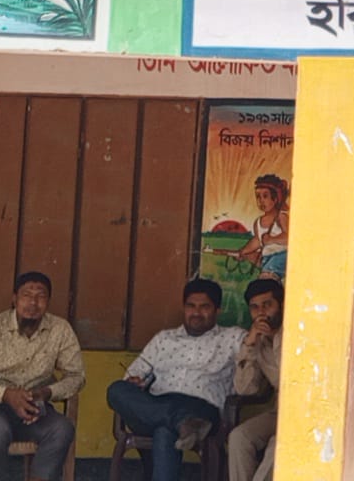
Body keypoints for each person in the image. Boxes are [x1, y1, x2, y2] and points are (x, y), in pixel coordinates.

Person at [0, 271, 85, 481]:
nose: (33, 303)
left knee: (62, 429)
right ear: (14, 299)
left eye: (40, 296)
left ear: (48, 301)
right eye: (26, 295)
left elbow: (76, 376)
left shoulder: (60, 330)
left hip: (34, 408)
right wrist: (5, 394)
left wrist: (46, 392)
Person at [107, 278, 246, 481]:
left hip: (200, 409)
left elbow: (254, 360)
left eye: (204, 307)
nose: (196, 313)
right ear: (184, 307)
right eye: (191, 306)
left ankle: (181, 421)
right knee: (116, 389)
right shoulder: (164, 339)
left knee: (164, 431)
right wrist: (135, 381)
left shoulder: (233, 338)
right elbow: (135, 372)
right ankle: (181, 423)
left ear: (217, 310)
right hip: (159, 403)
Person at [228, 279, 284, 481]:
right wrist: (250, 346)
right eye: (254, 307)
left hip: (308, 412)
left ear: (281, 305)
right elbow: (245, 389)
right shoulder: (257, 341)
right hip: (279, 411)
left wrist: (277, 341)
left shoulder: (297, 333)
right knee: (239, 437)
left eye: (267, 305)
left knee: (278, 444)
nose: (261, 313)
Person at [237, 174, 290, 282]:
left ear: (275, 199)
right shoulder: (258, 222)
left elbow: (289, 238)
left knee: (266, 278)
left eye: (265, 196)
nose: (261, 201)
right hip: (267, 257)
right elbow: (258, 240)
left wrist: (272, 239)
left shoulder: (281, 217)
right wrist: (244, 251)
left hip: (280, 256)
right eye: (258, 197)